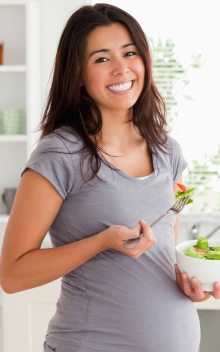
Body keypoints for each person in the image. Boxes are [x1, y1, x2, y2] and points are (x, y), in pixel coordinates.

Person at [0, 3, 219, 352]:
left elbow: (161, 251)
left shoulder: (168, 151)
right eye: (102, 59)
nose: (122, 69)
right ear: (78, 74)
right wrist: (101, 241)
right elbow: (11, 275)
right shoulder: (60, 154)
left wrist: (192, 284)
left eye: (130, 53)